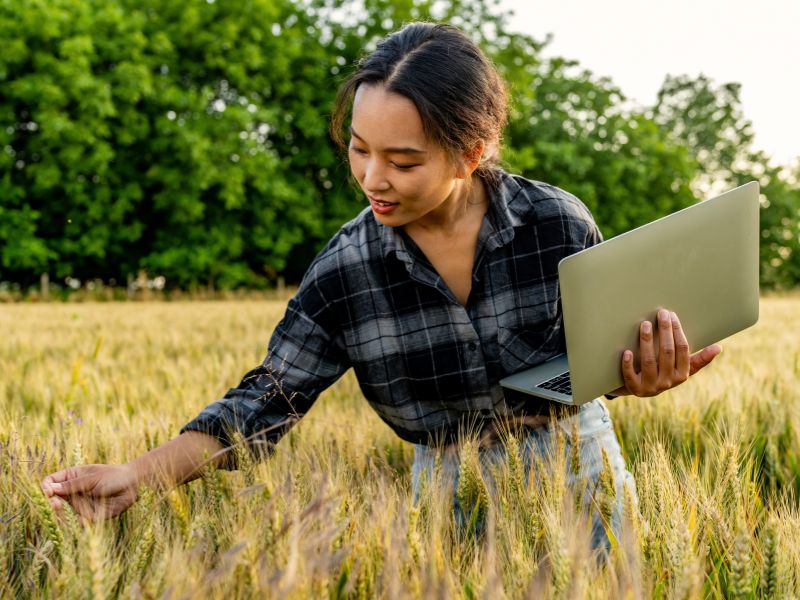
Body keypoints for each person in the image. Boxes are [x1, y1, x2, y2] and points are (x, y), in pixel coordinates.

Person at [41, 23, 721, 554]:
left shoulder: (556, 223)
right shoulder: (345, 270)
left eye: (402, 161)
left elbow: (591, 359)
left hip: (581, 472)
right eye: (358, 147)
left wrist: (635, 375)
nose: (372, 178)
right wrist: (138, 473)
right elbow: (268, 397)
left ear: (472, 151)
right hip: (450, 497)